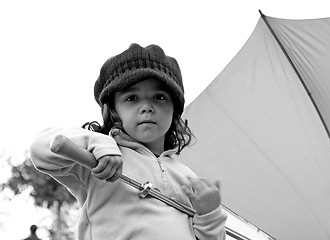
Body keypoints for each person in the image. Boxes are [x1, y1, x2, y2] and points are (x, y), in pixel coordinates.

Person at [30, 43, 227, 240]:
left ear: (175, 110)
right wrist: (99, 144)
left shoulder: (188, 178)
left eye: (159, 97)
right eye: (132, 98)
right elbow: (41, 148)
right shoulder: (96, 159)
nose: (147, 106)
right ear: (113, 110)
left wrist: (210, 214)